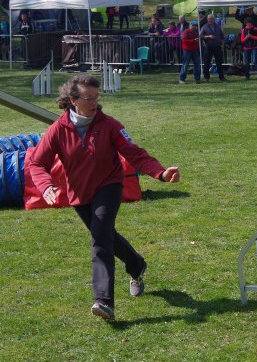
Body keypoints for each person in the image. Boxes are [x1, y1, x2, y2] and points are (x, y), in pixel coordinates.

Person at [29, 75, 180, 321]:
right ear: (73, 100)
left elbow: (135, 153)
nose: (94, 103)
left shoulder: (109, 125)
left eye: (96, 97)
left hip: (109, 187)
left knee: (100, 238)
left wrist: (160, 173)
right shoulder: (58, 130)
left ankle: (104, 301)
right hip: (79, 193)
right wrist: (45, 185)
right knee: (106, 235)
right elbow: (36, 162)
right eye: (88, 98)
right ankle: (137, 265)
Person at [199, 14, 226, 82]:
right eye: (210, 19)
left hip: (217, 47)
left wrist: (222, 45)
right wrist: (208, 36)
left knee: (219, 63)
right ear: (207, 19)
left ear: (214, 19)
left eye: (212, 18)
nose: (211, 20)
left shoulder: (218, 26)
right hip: (208, 47)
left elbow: (222, 36)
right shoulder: (205, 27)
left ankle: (221, 77)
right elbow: (200, 36)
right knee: (207, 63)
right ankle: (206, 77)